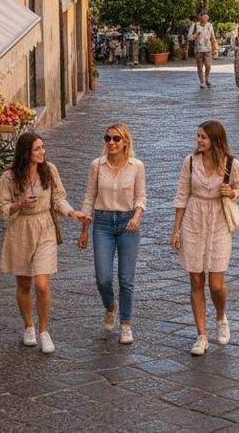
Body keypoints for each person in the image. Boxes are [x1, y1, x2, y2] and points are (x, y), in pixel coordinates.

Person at [0, 132, 90, 354]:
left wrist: (72, 213)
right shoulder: (8, 177)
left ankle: (44, 332)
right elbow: (1, 207)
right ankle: (29, 326)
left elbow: (58, 199)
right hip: (20, 231)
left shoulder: (49, 170)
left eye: (42, 148)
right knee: (24, 284)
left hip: (45, 228)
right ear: (25, 152)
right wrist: (19, 205)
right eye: (37, 149)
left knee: (42, 284)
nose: (42, 152)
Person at [171, 121, 239, 356]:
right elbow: (182, 195)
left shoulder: (231, 163)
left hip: (219, 222)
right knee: (195, 281)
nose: (199, 140)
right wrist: (176, 230)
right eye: (198, 136)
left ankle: (221, 315)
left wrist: (232, 192)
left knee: (216, 283)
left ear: (215, 139)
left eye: (203, 137)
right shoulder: (190, 162)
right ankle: (201, 335)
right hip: (193, 220)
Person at [78, 123, 147, 346]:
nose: (111, 143)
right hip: (103, 224)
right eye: (107, 138)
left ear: (125, 141)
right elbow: (89, 197)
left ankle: (126, 324)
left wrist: (137, 216)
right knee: (103, 278)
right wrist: (85, 230)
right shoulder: (96, 166)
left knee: (126, 279)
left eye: (116, 139)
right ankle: (111, 306)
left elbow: (141, 197)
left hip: (128, 224)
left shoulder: (136, 166)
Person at [187, 11, 217, 89]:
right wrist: (195, 35)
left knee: (208, 65)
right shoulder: (195, 26)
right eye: (204, 17)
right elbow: (189, 37)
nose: (206, 19)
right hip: (198, 50)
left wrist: (215, 47)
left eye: (207, 17)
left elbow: (212, 37)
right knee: (199, 67)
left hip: (208, 49)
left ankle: (207, 78)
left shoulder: (210, 25)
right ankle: (202, 82)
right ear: (200, 17)